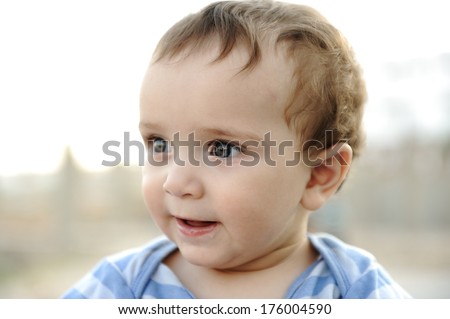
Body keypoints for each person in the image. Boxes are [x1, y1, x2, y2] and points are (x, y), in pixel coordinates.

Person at [63, 0, 410, 298]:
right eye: (160, 144)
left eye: (222, 149)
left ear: (319, 175)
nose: (175, 182)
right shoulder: (119, 287)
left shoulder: (358, 291)